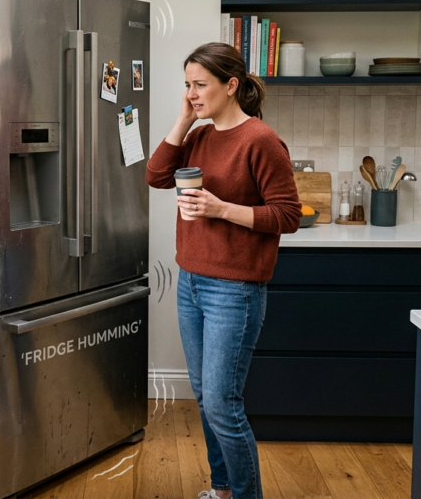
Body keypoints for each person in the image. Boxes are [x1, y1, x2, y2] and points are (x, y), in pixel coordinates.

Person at [145, 42, 301, 499]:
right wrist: (184, 119)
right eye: (188, 85)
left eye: (201, 85)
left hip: (235, 290)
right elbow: (156, 175)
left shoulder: (261, 140)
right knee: (207, 399)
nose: (193, 93)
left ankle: (245, 495)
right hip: (191, 282)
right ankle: (223, 490)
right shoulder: (199, 136)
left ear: (231, 86)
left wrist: (221, 209)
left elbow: (287, 215)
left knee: (221, 403)